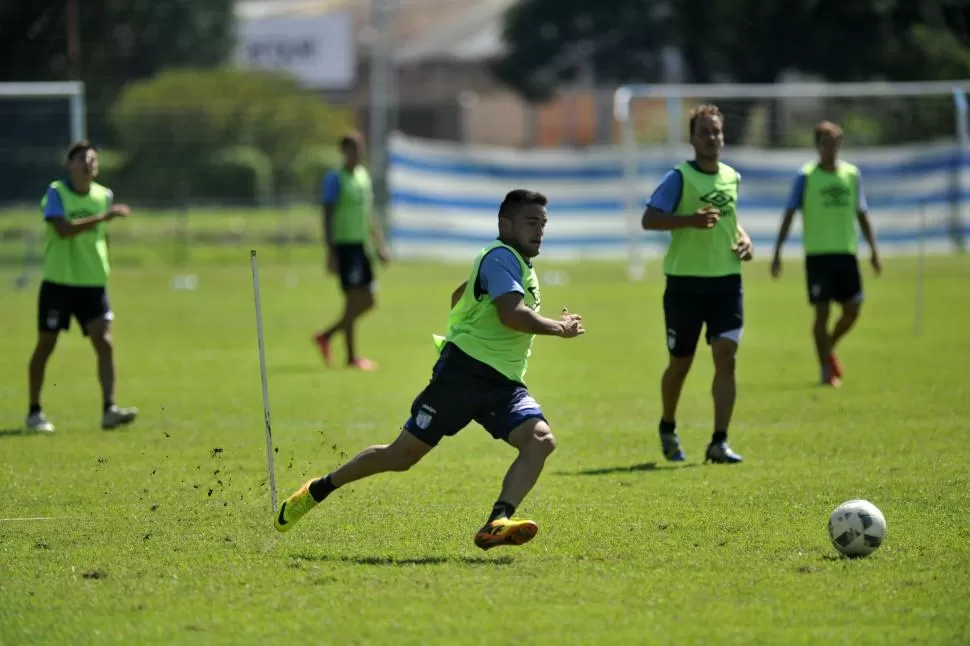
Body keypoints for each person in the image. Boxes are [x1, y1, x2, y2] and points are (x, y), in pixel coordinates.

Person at [275, 190, 585, 550]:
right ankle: (317, 489)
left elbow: (461, 296)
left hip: (502, 383)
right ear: (505, 224)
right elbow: (511, 314)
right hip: (462, 377)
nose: (539, 231)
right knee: (400, 456)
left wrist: (468, 318)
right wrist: (558, 327)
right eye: (531, 223)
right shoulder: (501, 257)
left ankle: (497, 521)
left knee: (540, 440)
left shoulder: (512, 262)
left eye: (543, 224)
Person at [642, 104, 753, 465]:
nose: (712, 138)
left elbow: (730, 222)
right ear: (692, 139)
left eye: (717, 131)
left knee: (726, 356)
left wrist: (744, 239)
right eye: (704, 132)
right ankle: (668, 426)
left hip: (726, 281)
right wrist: (689, 220)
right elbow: (649, 219)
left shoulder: (732, 177)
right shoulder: (679, 178)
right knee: (681, 363)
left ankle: (719, 441)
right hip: (685, 285)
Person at [26, 141, 138, 432]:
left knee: (105, 342)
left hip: (92, 283)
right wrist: (104, 217)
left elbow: (102, 238)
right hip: (59, 282)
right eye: (81, 158)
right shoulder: (56, 193)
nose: (88, 163)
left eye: (92, 159)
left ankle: (109, 409)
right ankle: (34, 411)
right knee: (46, 344)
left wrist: (105, 266)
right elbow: (63, 231)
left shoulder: (104, 195)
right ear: (70, 164)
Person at [770, 121, 881, 387]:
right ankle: (825, 369)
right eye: (825, 143)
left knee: (853, 309)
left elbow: (862, 213)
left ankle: (827, 348)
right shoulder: (806, 176)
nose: (830, 149)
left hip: (846, 253)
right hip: (818, 255)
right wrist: (777, 251)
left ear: (840, 144)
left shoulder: (852, 175)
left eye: (835, 143)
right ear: (817, 146)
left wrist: (874, 250)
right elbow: (789, 213)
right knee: (822, 314)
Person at [313, 132, 391, 371]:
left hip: (361, 246)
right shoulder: (335, 179)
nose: (359, 153)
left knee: (368, 300)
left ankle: (327, 336)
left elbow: (369, 214)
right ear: (344, 151)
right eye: (354, 149)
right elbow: (327, 214)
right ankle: (351, 356)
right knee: (353, 301)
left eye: (360, 148)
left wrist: (380, 245)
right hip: (345, 247)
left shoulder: (363, 176)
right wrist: (331, 250)